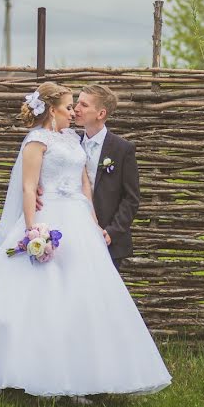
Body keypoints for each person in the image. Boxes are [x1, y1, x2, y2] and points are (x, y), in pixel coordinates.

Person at [0, 82, 171, 398]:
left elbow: (85, 185)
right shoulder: (36, 141)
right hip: (47, 220)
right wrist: (34, 230)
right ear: (52, 109)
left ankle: (85, 377)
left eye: (78, 105)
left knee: (84, 298)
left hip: (78, 220)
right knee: (38, 298)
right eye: (68, 106)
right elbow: (29, 188)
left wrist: (93, 224)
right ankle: (23, 371)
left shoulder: (72, 138)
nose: (73, 110)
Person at [73, 84, 139, 272]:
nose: (76, 109)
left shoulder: (122, 149)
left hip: (107, 238)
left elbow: (131, 199)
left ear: (101, 114)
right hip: (74, 231)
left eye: (84, 105)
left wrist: (111, 232)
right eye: (77, 103)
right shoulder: (70, 144)